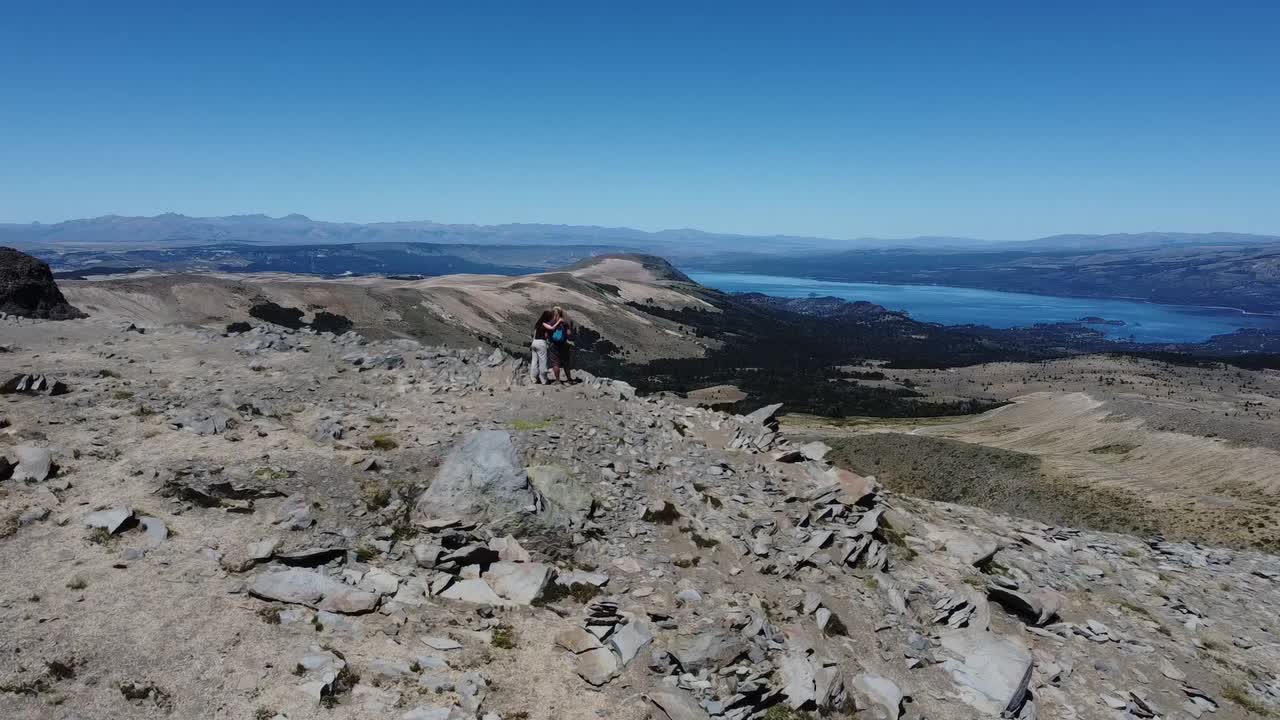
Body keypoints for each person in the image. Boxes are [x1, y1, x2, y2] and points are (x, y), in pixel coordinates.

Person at [546, 306, 577, 384]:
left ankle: (557, 380)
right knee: (566, 362)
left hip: (554, 345)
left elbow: (547, 334)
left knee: (555, 363)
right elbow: (569, 334)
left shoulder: (551, 322)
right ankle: (569, 379)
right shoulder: (564, 322)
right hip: (563, 344)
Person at [529, 310, 552, 384]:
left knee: (534, 361)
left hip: (534, 342)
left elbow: (534, 334)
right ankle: (544, 380)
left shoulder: (538, 324)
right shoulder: (546, 325)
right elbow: (546, 336)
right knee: (543, 362)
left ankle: (533, 379)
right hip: (541, 343)